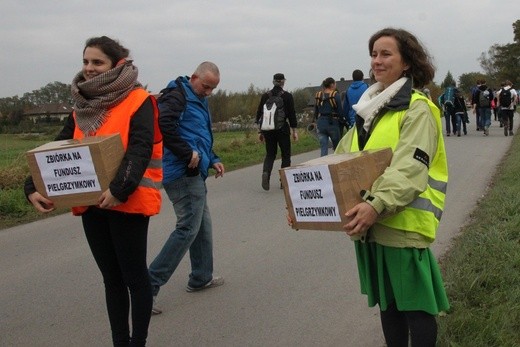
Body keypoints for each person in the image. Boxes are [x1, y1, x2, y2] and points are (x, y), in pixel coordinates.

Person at [24, 36, 162, 346]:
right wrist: (31, 187)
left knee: (135, 279)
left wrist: (118, 189)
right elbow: (56, 149)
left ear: (117, 64)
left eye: (97, 62)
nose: (89, 68)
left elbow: (140, 149)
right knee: (111, 280)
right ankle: (119, 342)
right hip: (92, 206)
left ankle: (137, 342)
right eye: (86, 61)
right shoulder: (81, 107)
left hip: (127, 203)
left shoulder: (139, 100)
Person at [335, 28, 449, 346]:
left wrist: (375, 204)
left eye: (386, 54)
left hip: (402, 224)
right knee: (389, 305)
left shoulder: (417, 109)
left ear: (407, 63)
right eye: (374, 54)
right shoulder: (368, 111)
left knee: (416, 308)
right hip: (372, 226)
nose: (377, 60)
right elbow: (337, 165)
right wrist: (300, 203)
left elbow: (410, 167)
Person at [148, 61, 225, 315]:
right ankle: (148, 287)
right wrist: (186, 154)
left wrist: (212, 158)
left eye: (213, 89)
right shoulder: (176, 96)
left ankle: (201, 276)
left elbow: (198, 134)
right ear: (194, 77)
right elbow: (164, 127)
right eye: (206, 86)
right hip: (181, 171)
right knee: (187, 229)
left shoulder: (196, 97)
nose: (208, 92)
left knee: (202, 226)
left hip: (194, 169)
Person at [256, 73, 298, 190]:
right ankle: (283, 181)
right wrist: (294, 130)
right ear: (283, 82)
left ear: (273, 82)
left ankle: (266, 173)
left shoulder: (265, 96)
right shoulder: (287, 96)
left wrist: (260, 131)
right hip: (282, 129)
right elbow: (291, 114)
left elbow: (259, 113)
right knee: (285, 154)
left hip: (268, 130)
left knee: (270, 154)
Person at [314, 77, 343, 156]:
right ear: (332, 85)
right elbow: (340, 111)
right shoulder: (335, 95)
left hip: (321, 123)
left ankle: (323, 165)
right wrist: (343, 121)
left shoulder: (318, 95)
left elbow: (316, 110)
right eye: (335, 83)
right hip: (332, 123)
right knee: (337, 147)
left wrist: (315, 121)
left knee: (324, 147)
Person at [342, 69, 369, 136]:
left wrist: (349, 120)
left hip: (353, 121)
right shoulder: (367, 87)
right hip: (365, 120)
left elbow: (345, 109)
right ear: (362, 77)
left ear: (353, 78)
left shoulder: (348, 91)